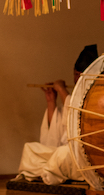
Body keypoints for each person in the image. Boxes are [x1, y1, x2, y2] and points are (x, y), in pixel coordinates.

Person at [14, 44, 98, 185]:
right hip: (65, 153)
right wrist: (51, 101)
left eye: (81, 75)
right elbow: (55, 133)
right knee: (30, 149)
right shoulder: (70, 98)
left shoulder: (94, 96)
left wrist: (61, 90)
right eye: (75, 74)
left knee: (61, 154)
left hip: (83, 155)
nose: (77, 79)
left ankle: (47, 171)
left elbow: (74, 110)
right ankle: (48, 171)